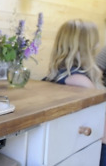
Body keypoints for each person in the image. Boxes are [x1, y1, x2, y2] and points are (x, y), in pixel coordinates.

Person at [43, 19, 106, 166]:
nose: (98, 46)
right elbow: (102, 131)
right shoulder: (81, 82)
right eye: (95, 42)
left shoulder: (58, 75)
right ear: (86, 47)